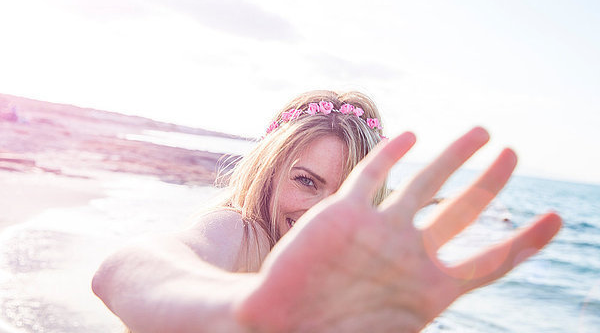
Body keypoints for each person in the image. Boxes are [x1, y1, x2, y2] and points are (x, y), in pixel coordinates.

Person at [92, 90, 562, 333]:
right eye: (306, 181)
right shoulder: (238, 230)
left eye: (340, 198)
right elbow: (121, 270)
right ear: (271, 172)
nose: (319, 212)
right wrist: (246, 313)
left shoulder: (353, 289)